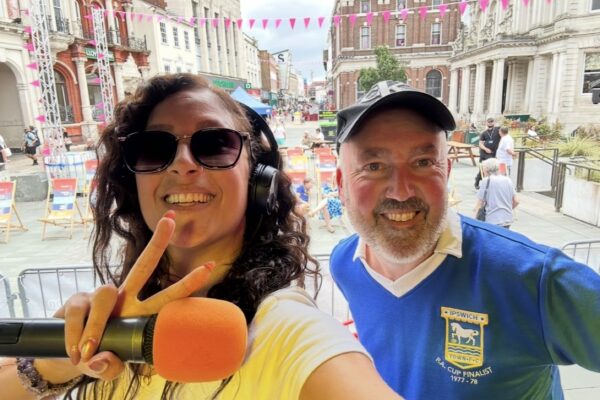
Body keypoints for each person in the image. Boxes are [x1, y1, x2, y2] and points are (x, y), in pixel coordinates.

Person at [0, 74, 402, 400]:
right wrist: (59, 361)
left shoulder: (287, 329)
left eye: (215, 144)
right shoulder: (114, 318)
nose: (183, 164)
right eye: (154, 148)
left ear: (257, 179)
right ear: (134, 183)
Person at [330, 80, 600, 399]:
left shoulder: (533, 279)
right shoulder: (344, 264)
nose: (401, 191)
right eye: (374, 166)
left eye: (423, 163)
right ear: (341, 184)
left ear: (445, 171)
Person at [475, 158, 519, 229]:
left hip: (492, 219)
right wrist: (507, 209)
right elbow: (516, 201)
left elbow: (479, 204)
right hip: (506, 219)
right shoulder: (508, 180)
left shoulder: (486, 181)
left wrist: (474, 220)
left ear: (486, 170)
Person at [474, 117, 500, 189]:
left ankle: (487, 182)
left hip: (493, 153)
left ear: (494, 122)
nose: (490, 123)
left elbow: (504, 133)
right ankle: (477, 181)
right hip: (484, 153)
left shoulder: (498, 130)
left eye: (491, 122)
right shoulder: (484, 133)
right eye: (489, 122)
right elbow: (480, 144)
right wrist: (485, 149)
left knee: (491, 168)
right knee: (484, 167)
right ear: (486, 123)